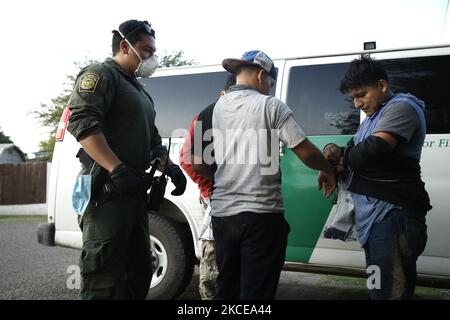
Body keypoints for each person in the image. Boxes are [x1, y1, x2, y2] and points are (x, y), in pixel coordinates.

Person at [194, 50, 335, 300]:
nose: (270, 87)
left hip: (223, 217)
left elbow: (198, 163)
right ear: (261, 75)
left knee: (228, 287)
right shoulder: (270, 105)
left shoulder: (209, 111)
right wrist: (328, 168)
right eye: (271, 82)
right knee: (257, 292)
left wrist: (226, 178)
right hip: (262, 216)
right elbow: (306, 153)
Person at [66, 19, 187, 300]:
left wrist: (170, 167)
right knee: (105, 276)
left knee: (139, 271)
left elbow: (152, 140)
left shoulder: (139, 91)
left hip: (133, 192)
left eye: (153, 51)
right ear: (125, 45)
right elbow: (82, 124)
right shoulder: (100, 74)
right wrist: (116, 168)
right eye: (145, 50)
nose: (151, 58)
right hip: (106, 189)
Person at [323, 56, 431, 300]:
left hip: (393, 216)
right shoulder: (372, 119)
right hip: (374, 222)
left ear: (381, 85)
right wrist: (332, 150)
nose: (358, 103)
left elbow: (373, 150)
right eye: (353, 98)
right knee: (379, 288)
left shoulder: (402, 108)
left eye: (361, 94)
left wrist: (341, 161)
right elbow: (353, 148)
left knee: (389, 293)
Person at [179, 74, 236, 300]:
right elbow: (187, 159)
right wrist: (211, 187)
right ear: (222, 94)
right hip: (217, 197)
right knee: (213, 258)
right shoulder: (208, 116)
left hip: (241, 198)